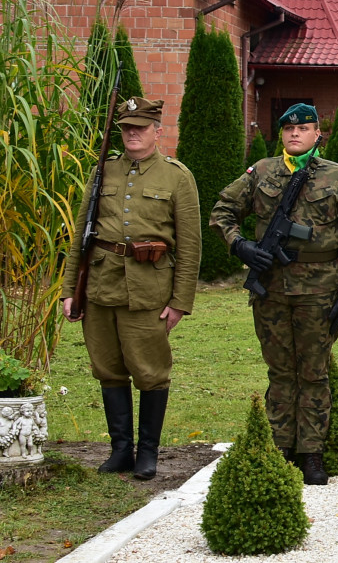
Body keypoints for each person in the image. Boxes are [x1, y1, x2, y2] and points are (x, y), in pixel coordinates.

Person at [209, 103, 338, 485]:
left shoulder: (337, 178)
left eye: (304, 128)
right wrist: (240, 246)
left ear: (317, 135)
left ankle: (311, 453)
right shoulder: (262, 172)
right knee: (280, 372)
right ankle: (280, 448)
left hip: (319, 290)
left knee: (313, 373)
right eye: (288, 129)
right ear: (281, 134)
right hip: (272, 289)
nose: (295, 134)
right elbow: (221, 210)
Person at [60, 97, 201, 480]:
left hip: (149, 289)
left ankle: (148, 453)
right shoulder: (102, 172)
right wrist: (69, 288)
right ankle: (121, 450)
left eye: (140, 127)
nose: (133, 133)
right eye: (126, 128)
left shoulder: (176, 176)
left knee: (151, 372)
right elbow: (81, 237)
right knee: (107, 369)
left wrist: (180, 301)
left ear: (158, 130)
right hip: (100, 286)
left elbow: (190, 246)